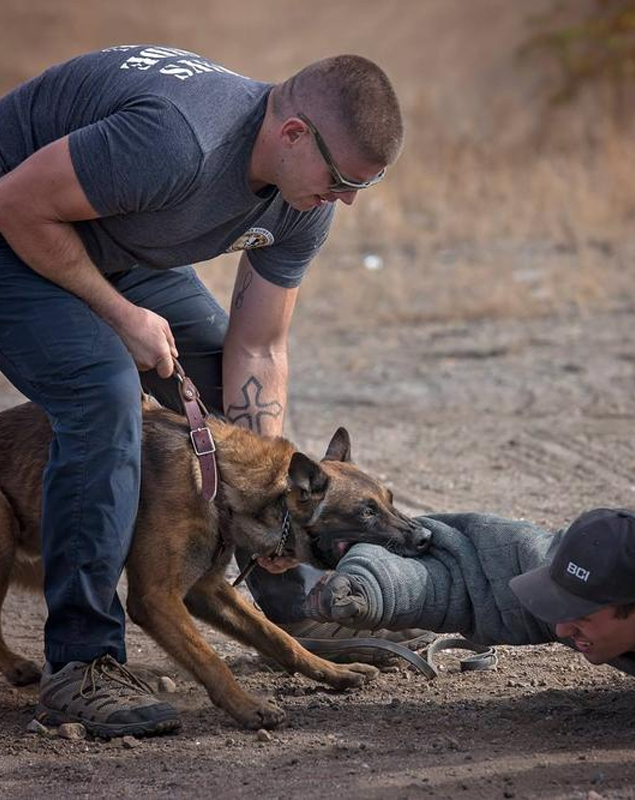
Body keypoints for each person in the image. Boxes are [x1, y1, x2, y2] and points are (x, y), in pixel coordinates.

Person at [0, 44, 419, 737]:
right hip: (17, 223)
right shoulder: (177, 141)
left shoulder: (304, 200)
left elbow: (257, 348)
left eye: (361, 188)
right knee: (105, 394)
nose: (345, 200)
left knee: (214, 369)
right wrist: (122, 316)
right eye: (343, 178)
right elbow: (16, 203)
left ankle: (283, 599)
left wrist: (276, 503)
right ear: (292, 134)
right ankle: (82, 665)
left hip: (102, 238)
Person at [246, 507, 635, 717]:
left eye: (579, 616)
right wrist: (379, 588)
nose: (560, 628)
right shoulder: (616, 576)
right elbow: (485, 574)